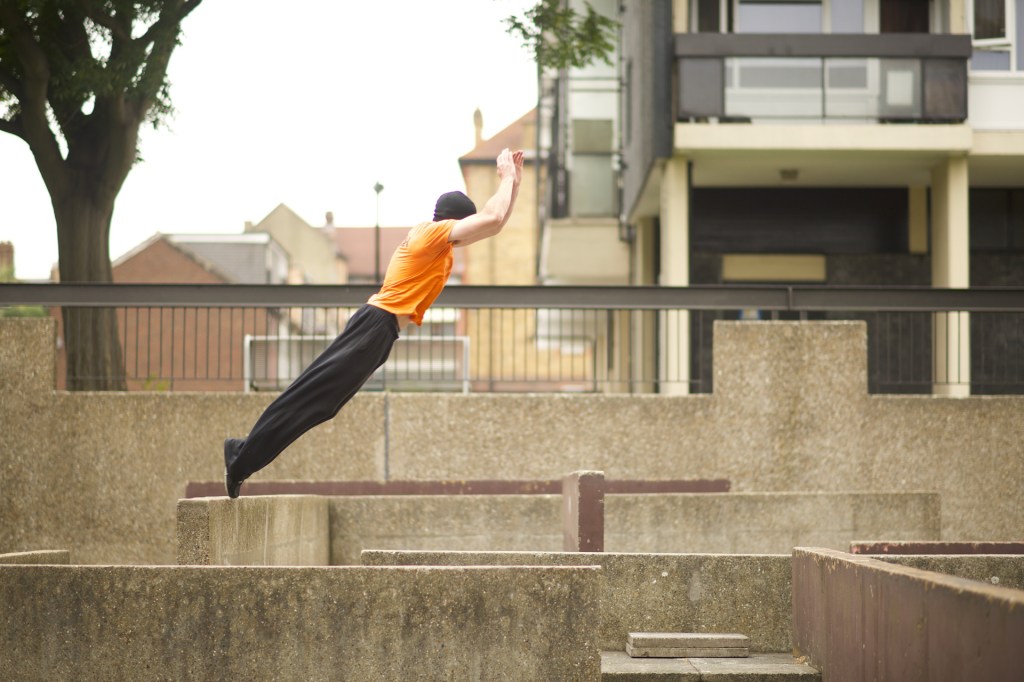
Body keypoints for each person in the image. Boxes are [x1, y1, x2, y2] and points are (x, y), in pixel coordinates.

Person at [223, 148, 525, 498]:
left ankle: (244, 454)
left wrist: (514, 183)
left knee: (323, 404)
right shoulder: (430, 234)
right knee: (311, 394)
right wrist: (505, 177)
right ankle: (240, 456)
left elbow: (494, 224)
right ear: (453, 222)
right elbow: (491, 218)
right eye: (464, 229)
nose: (467, 238)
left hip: (380, 332)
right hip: (373, 326)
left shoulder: (441, 247)